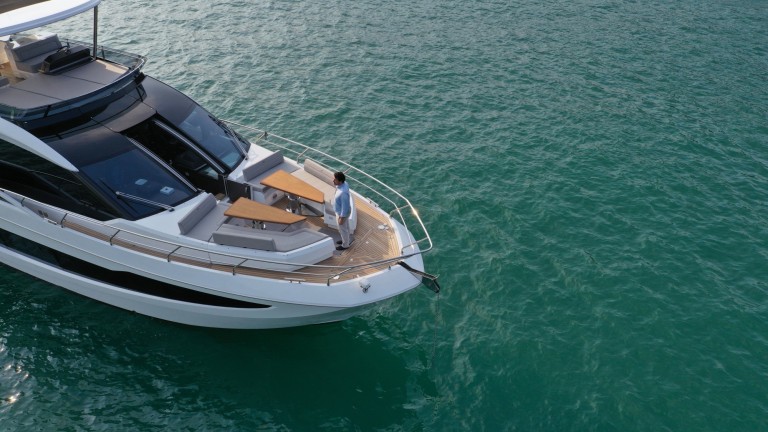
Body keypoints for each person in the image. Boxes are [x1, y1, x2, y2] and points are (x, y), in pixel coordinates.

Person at [333, 171, 352, 251]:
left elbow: (345, 206)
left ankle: (345, 245)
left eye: (335, 180)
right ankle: (346, 240)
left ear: (340, 181)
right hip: (344, 211)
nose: (333, 181)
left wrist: (341, 217)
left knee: (342, 229)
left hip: (342, 213)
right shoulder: (344, 184)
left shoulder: (343, 193)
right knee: (346, 228)